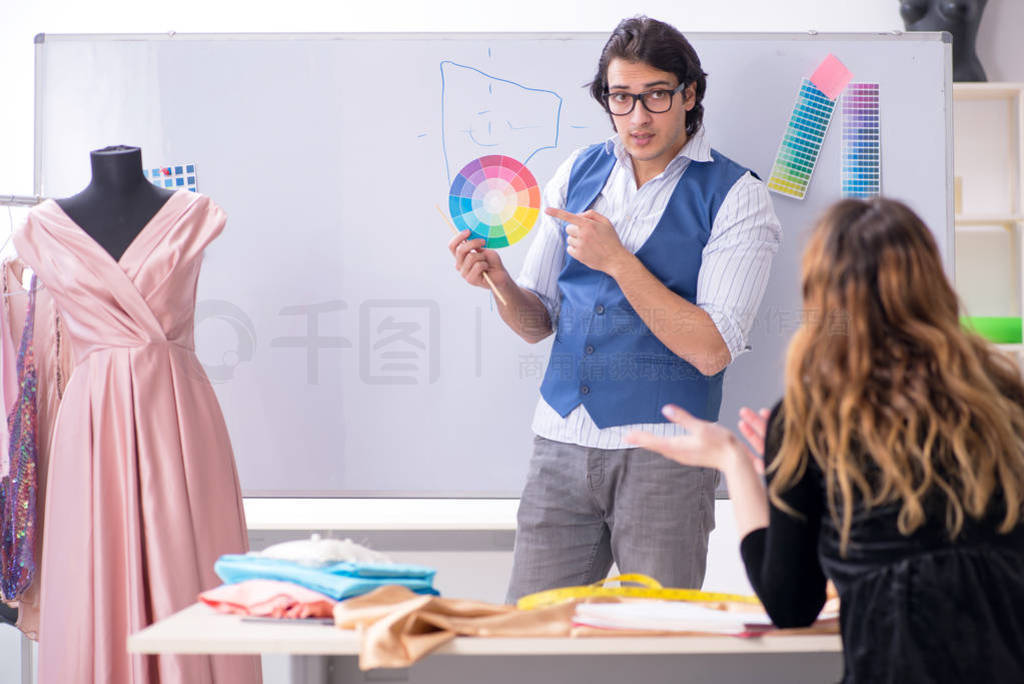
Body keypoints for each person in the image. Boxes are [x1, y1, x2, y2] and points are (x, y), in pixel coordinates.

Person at [448, 16, 781, 602]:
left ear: (689, 94)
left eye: (655, 96)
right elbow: (536, 323)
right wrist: (500, 284)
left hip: (665, 458)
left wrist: (619, 262)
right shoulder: (577, 171)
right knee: (529, 641)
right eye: (621, 98)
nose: (638, 117)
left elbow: (711, 350)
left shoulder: (736, 195)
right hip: (559, 445)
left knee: (658, 649)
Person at [629, 197, 1024, 683]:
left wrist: (736, 463)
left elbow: (791, 604)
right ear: (932, 283)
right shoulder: (1007, 397)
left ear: (824, 297)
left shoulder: (809, 419)